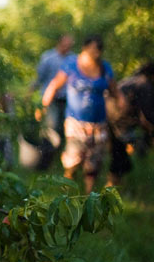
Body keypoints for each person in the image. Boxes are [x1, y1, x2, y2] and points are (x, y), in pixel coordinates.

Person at [42, 35, 121, 193]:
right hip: (75, 123)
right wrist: (43, 106)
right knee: (72, 160)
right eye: (92, 49)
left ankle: (87, 195)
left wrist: (120, 108)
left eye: (98, 50)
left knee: (93, 162)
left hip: (98, 123)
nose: (95, 53)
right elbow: (54, 84)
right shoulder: (71, 65)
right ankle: (67, 192)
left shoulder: (105, 68)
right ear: (84, 48)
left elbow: (115, 91)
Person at [106, 62, 154, 186]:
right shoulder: (144, 85)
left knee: (119, 157)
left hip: (108, 119)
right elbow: (146, 117)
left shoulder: (133, 80)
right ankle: (110, 191)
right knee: (120, 159)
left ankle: (114, 189)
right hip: (119, 122)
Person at [32, 35, 74, 142]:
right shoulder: (48, 57)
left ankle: (60, 151)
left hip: (67, 99)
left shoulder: (73, 59)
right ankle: (48, 150)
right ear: (59, 43)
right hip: (50, 98)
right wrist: (31, 90)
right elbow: (39, 77)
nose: (67, 47)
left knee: (65, 127)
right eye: (65, 44)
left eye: (69, 45)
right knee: (51, 126)